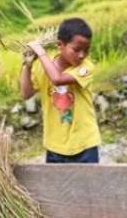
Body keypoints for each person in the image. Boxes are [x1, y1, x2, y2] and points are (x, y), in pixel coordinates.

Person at [20, 18, 101, 163]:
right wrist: (27, 65)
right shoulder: (43, 67)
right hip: (54, 146)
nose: (82, 55)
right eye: (76, 50)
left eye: (86, 50)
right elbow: (26, 93)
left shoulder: (86, 67)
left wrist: (41, 53)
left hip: (85, 145)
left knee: (88, 186)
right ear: (60, 45)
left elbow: (57, 79)